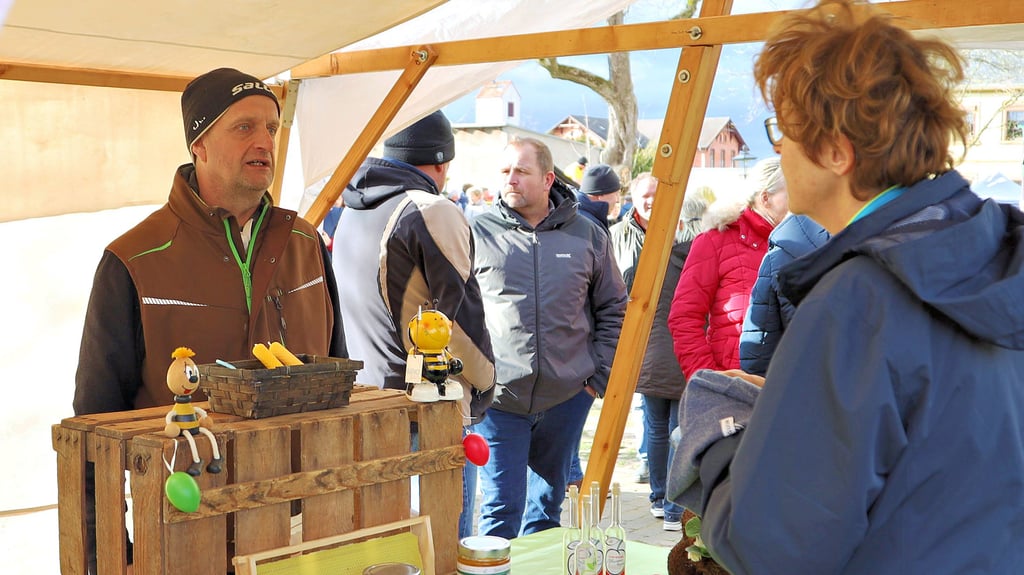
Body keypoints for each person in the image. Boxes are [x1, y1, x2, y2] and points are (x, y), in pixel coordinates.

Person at [671, 1, 1024, 572]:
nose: (778, 148)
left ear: (837, 152)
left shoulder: (860, 298)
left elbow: (773, 543)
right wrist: (793, 402)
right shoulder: (990, 250)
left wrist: (719, 438)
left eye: (784, 129)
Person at [73, 67, 346, 573]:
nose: (265, 140)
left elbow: (338, 380)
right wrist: (105, 552)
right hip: (184, 527)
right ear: (198, 144)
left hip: (306, 524)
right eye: (244, 126)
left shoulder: (307, 245)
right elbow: (95, 423)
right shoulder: (133, 259)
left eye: (272, 125)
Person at [330, 110, 495, 539]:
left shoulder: (351, 208)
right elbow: (457, 322)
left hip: (365, 400)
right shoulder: (430, 210)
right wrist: (485, 384)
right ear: (442, 163)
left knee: (384, 545)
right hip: (426, 410)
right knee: (442, 543)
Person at [471, 137, 627, 539]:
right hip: (498, 398)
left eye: (521, 171)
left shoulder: (588, 235)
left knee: (545, 511)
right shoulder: (477, 231)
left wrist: (596, 379)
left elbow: (613, 307)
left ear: (548, 179)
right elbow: (455, 310)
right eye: (505, 171)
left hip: (566, 398)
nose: (511, 180)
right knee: (501, 507)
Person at [609, 173, 707, 531]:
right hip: (646, 345)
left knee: (675, 426)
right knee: (657, 426)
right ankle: (663, 499)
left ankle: (668, 501)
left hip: (679, 342)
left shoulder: (689, 237)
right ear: (633, 197)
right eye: (644, 195)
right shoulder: (619, 236)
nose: (651, 201)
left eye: (657, 194)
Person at [667, 157, 788, 377]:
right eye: (791, 191)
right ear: (765, 198)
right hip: (733, 385)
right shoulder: (715, 241)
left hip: (785, 386)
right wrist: (709, 381)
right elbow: (684, 317)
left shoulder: (797, 242)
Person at [575, 163, 621, 232]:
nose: (617, 200)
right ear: (600, 195)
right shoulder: (589, 228)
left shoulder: (574, 214)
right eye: (616, 194)